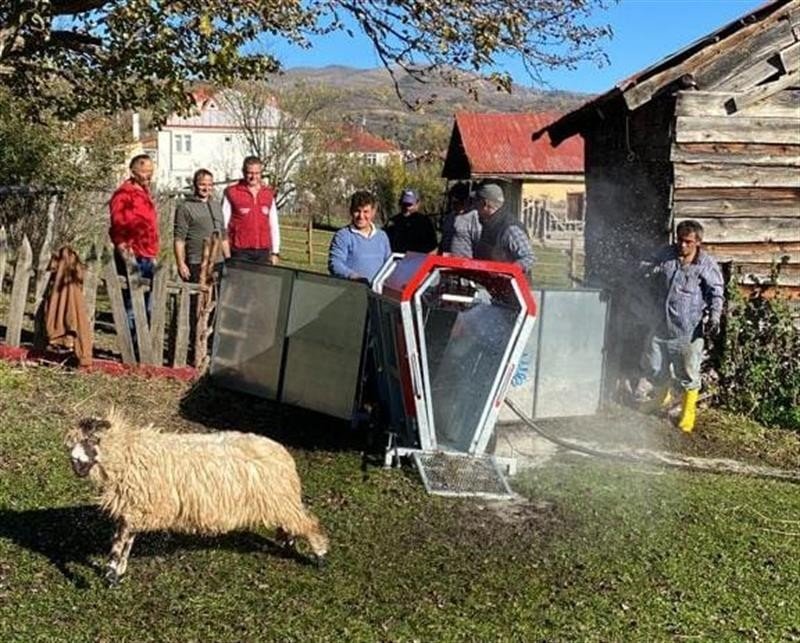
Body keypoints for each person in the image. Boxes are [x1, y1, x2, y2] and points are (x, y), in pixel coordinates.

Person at [640, 219, 724, 433]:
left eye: (688, 242)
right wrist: (649, 270)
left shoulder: (706, 265)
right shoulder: (666, 254)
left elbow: (716, 293)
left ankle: (688, 414)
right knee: (654, 366)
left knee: (687, 373)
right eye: (680, 240)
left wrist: (714, 317)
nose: (682, 245)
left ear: (698, 242)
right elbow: (646, 266)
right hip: (660, 324)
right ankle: (661, 398)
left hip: (687, 330)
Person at [109, 154, 158, 323]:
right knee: (132, 304)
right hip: (132, 254)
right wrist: (125, 255)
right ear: (133, 172)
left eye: (150, 171)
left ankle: (144, 338)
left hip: (147, 255)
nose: (148, 175)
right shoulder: (124, 195)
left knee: (148, 305)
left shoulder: (145, 193)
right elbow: (118, 227)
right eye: (144, 172)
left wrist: (153, 255)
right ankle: (131, 338)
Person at [222, 156, 280, 265]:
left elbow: (274, 224)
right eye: (250, 173)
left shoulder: (268, 194)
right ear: (243, 172)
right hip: (239, 251)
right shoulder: (231, 192)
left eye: (257, 173)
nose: (254, 177)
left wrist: (275, 252)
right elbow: (223, 225)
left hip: (263, 251)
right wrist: (226, 253)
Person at [174, 168, 229, 282]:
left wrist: (228, 259)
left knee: (217, 293)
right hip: (196, 261)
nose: (206, 188)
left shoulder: (216, 206)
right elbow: (179, 239)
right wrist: (181, 263)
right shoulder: (185, 207)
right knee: (197, 292)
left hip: (218, 261)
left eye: (209, 185)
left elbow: (223, 235)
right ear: (195, 185)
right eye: (202, 184)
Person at [328, 190, 392, 284]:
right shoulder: (342, 236)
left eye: (366, 212)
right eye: (357, 211)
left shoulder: (382, 237)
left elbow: (389, 265)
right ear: (351, 211)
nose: (361, 216)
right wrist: (353, 276)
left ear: (373, 212)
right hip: (351, 289)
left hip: (377, 291)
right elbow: (335, 264)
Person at [472, 182, 535, 278]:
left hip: (511, 285)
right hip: (495, 284)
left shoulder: (510, 228)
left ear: (485, 204)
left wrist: (508, 271)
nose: (474, 206)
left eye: (476, 201)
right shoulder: (488, 223)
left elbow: (529, 258)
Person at [384, 188, 438, 254]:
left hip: (418, 259)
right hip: (396, 258)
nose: (406, 208)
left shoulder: (424, 222)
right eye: (404, 204)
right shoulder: (393, 222)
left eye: (409, 205)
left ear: (417, 204)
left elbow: (433, 248)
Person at [440, 182, 481, 258]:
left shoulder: (474, 217)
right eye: (452, 202)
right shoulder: (450, 217)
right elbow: (443, 241)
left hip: (466, 262)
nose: (454, 205)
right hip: (446, 261)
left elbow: (478, 243)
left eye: (457, 202)